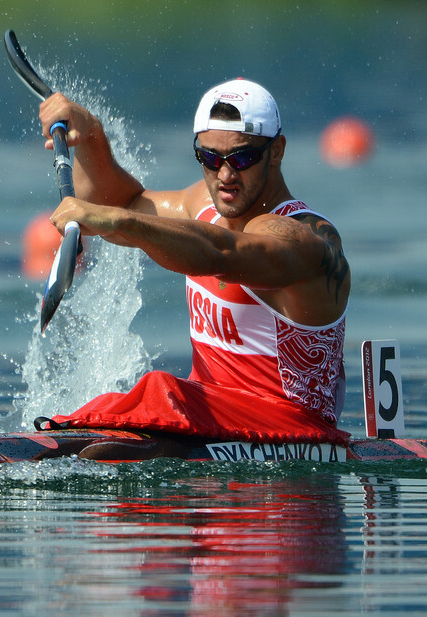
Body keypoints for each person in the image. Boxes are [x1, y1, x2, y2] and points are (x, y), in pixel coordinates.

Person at [37, 78, 351, 449]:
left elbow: (222, 253)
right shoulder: (202, 202)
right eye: (210, 158)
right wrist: (89, 136)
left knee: (158, 388)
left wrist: (118, 220)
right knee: (138, 401)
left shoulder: (306, 239)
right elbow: (119, 200)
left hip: (291, 428)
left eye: (243, 157)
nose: (226, 175)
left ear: (277, 150)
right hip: (206, 418)